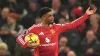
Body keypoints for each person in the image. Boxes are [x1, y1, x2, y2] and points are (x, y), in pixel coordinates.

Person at [16, 7, 96, 56]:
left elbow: (72, 25)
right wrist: (26, 44)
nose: (53, 17)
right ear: (43, 17)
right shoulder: (34, 28)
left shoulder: (56, 27)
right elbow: (19, 37)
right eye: (50, 16)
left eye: (52, 15)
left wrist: (86, 15)